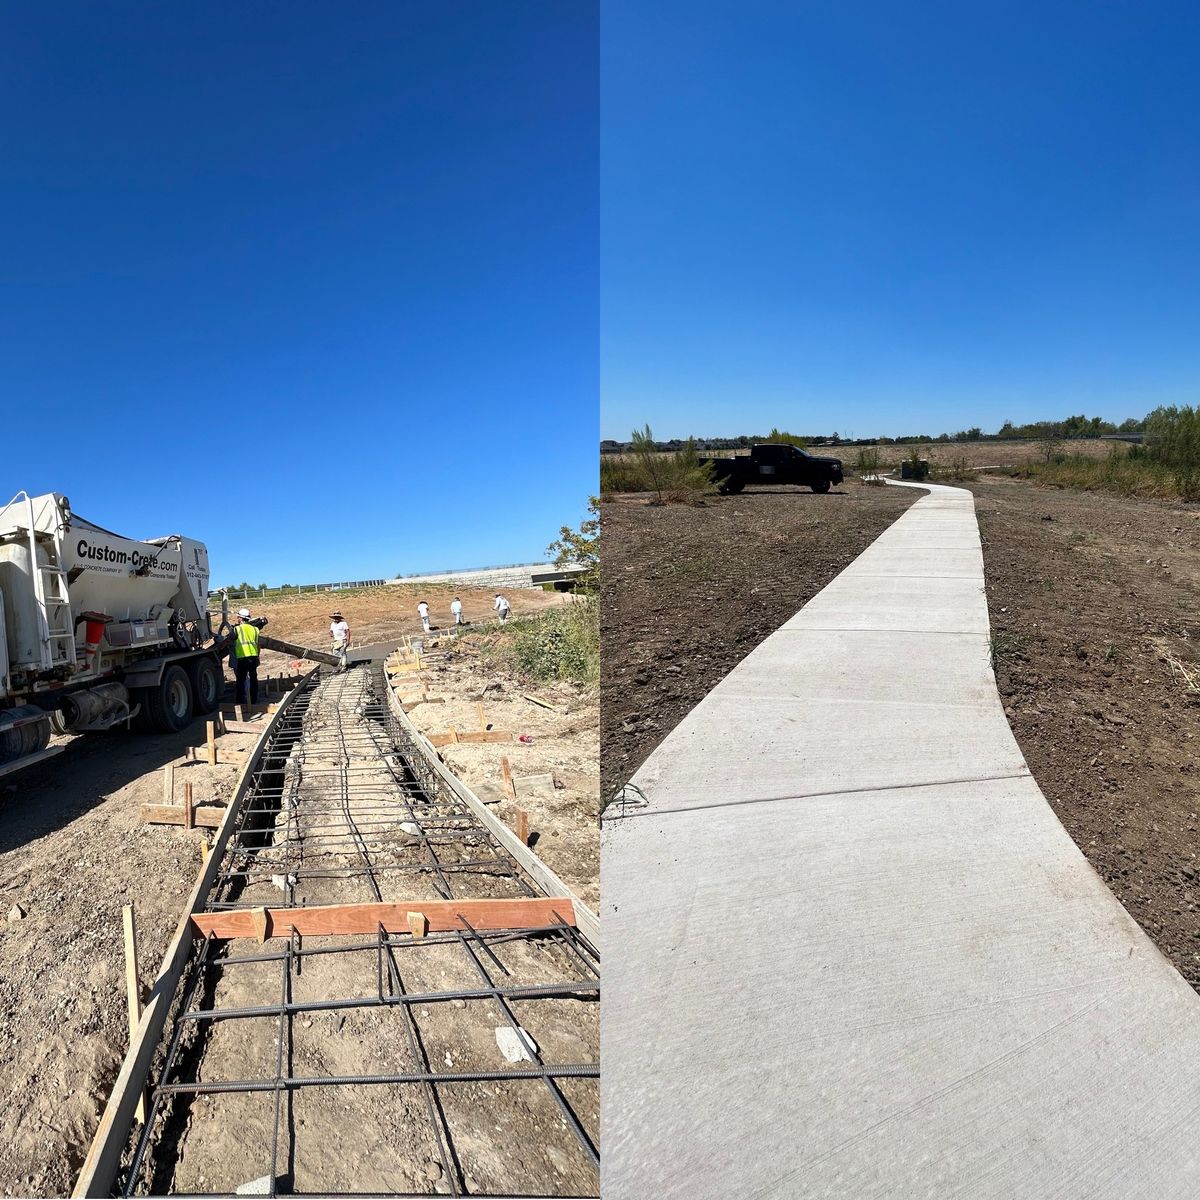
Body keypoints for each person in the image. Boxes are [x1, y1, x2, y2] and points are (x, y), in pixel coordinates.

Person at [232, 607, 261, 706]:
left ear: (240, 618)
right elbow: (258, 645)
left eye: (238, 617)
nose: (237, 619)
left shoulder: (237, 629)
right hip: (253, 657)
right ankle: (253, 700)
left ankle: (239, 701)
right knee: (253, 678)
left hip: (242, 657)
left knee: (241, 680)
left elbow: (229, 640)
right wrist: (257, 656)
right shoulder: (255, 629)